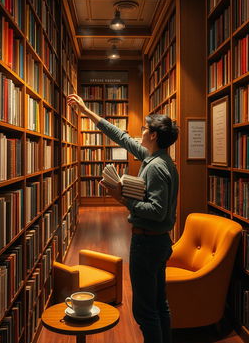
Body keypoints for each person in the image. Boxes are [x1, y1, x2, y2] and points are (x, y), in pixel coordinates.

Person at [67, 93, 179, 343]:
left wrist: (122, 197)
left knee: (145, 310)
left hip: (148, 244)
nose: (142, 131)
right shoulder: (157, 158)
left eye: (146, 128)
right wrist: (87, 111)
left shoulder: (157, 167)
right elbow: (122, 137)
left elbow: (157, 210)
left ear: (154, 136)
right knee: (159, 305)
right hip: (158, 242)